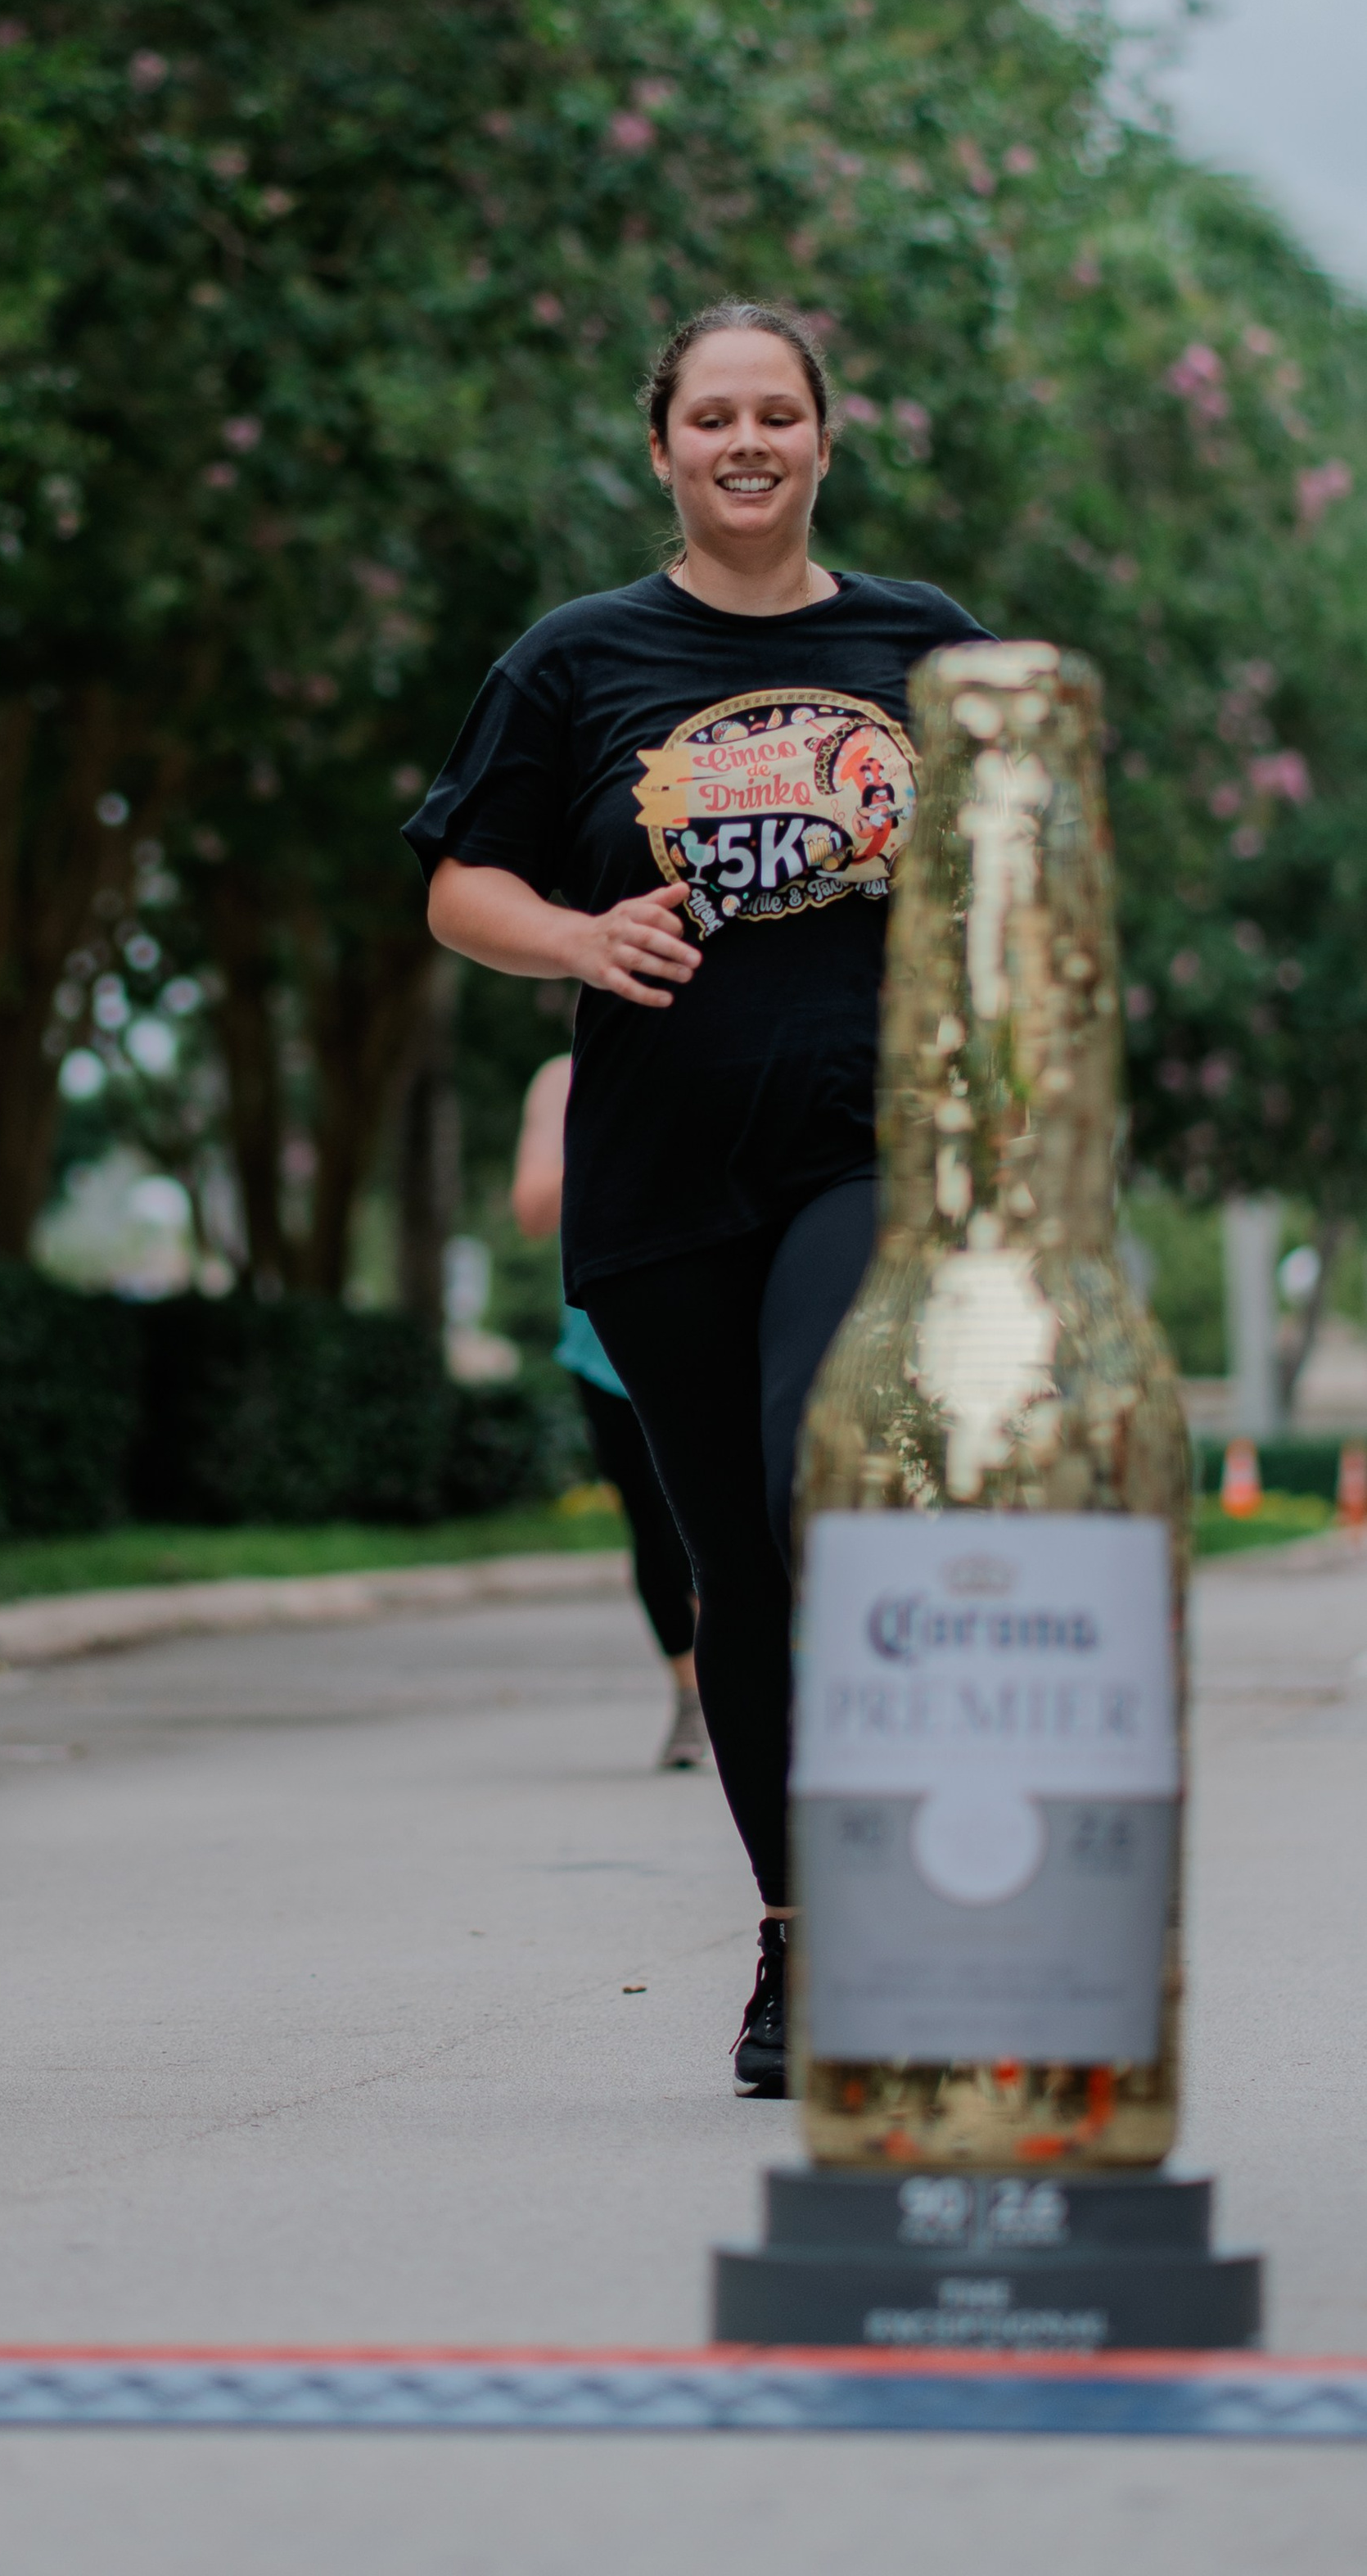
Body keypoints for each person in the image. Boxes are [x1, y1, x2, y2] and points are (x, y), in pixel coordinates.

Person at [404, 301, 990, 2096]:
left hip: (865, 1152)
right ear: (660, 448)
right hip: (657, 1182)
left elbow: (1026, 865)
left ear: (823, 441)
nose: (745, 442)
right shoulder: (576, 661)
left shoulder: (925, 646)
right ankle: (797, 1944)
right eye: (710, 416)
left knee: (823, 1487)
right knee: (735, 1571)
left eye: (776, 415)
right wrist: (575, 935)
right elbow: (455, 884)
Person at [511, 1053, 707, 1770]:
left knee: (750, 1510)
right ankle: (691, 1696)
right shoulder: (563, 1078)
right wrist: (618, 1117)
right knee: (654, 1527)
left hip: (725, 1320)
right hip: (607, 1339)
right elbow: (532, 1208)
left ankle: (769, 1681)